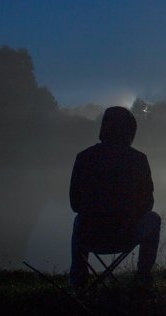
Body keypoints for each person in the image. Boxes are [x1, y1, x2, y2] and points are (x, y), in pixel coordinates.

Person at [69, 106, 161, 291]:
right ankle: (142, 278)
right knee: (154, 219)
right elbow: (148, 204)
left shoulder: (84, 158)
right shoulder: (139, 160)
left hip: (91, 237)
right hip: (127, 236)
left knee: (79, 220)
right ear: (130, 131)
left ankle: (79, 281)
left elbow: (75, 204)